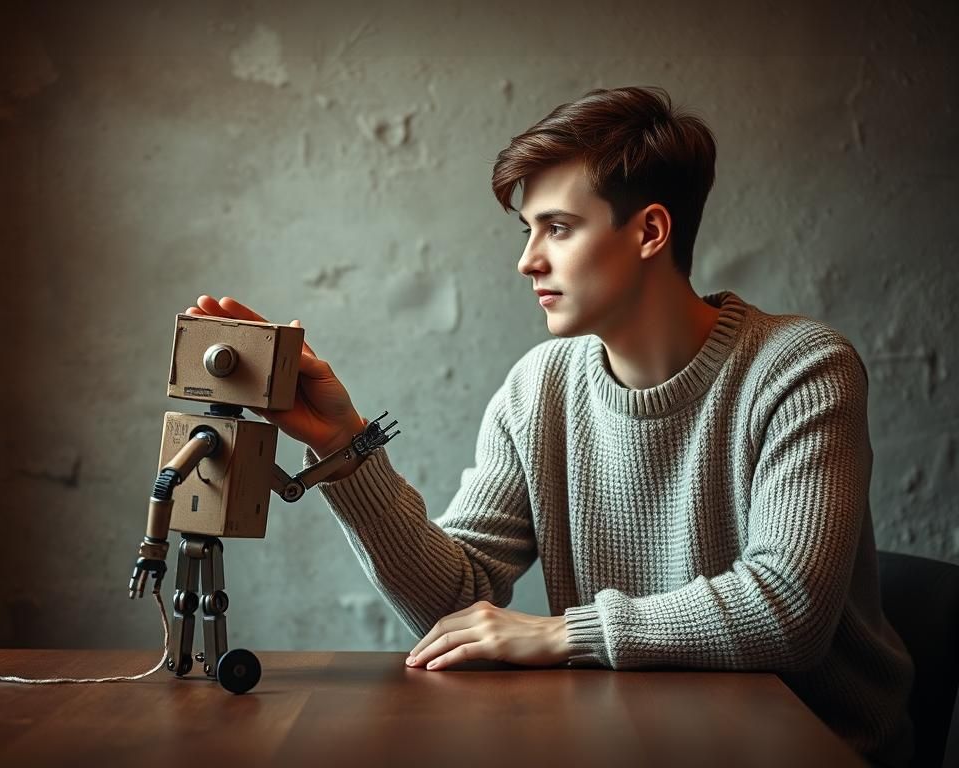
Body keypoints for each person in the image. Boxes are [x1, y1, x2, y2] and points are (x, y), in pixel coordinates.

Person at [188, 86, 913, 766]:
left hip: (812, 749)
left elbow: (788, 608)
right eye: (529, 229)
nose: (527, 259)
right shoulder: (541, 387)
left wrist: (565, 632)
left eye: (558, 228)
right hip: (632, 741)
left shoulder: (803, 368)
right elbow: (456, 604)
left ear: (649, 231)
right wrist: (345, 446)